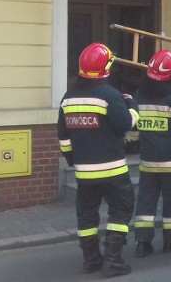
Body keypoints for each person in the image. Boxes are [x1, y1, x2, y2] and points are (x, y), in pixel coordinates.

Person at [58, 42, 139, 277]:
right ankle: (113, 261)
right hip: (113, 169)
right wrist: (132, 106)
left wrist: (74, 160)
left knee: (86, 215)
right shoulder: (109, 95)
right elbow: (125, 124)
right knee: (121, 210)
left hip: (84, 171)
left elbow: (63, 136)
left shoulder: (68, 97)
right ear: (106, 68)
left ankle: (91, 260)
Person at [128, 50, 171, 258]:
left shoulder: (138, 96)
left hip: (148, 162)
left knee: (145, 202)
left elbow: (133, 132)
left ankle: (143, 243)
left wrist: (133, 146)